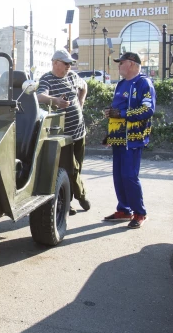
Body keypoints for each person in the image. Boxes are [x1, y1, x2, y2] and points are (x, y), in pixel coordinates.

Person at [103, 52, 156, 229]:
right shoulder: (121, 83)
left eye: (121, 63)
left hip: (133, 139)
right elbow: (118, 110)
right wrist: (111, 130)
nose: (118, 66)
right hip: (119, 138)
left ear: (132, 64)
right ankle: (124, 210)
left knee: (129, 176)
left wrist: (122, 114)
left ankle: (140, 212)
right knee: (118, 176)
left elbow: (148, 109)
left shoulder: (144, 83)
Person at [36, 49, 90, 215]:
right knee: (68, 169)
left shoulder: (73, 76)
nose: (68, 66)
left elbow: (84, 86)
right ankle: (80, 196)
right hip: (63, 135)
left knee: (77, 167)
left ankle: (68, 201)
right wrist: (56, 101)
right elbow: (39, 96)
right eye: (66, 63)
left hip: (79, 131)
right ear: (55, 63)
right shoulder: (47, 78)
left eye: (70, 64)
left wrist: (81, 101)